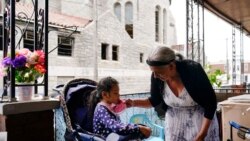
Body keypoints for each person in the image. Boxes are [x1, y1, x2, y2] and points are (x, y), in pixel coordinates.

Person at [126, 46, 220, 141]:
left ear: (171, 66)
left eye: (158, 72)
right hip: (174, 126)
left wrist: (202, 135)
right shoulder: (157, 77)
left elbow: (210, 104)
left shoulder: (193, 70)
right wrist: (132, 103)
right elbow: (154, 101)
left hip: (199, 124)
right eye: (153, 72)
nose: (155, 76)